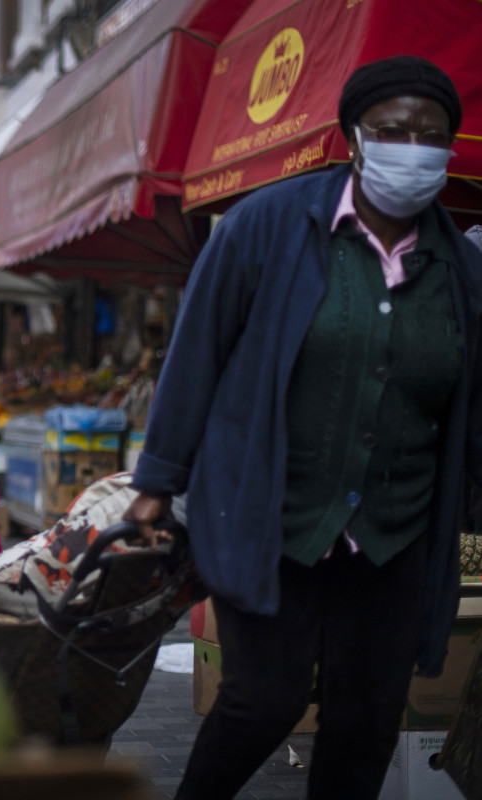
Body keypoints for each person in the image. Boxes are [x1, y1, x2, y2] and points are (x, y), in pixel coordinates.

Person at [122, 56, 482, 799]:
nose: (410, 147)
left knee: (366, 720)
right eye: (391, 130)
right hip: (270, 514)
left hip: (394, 530)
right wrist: (157, 482)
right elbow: (198, 349)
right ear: (355, 136)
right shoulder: (267, 224)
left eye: (429, 135)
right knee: (265, 699)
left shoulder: (460, 268)